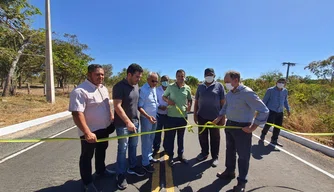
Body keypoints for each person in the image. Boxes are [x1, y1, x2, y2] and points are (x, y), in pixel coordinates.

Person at [213, 70, 269, 192]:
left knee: (243, 156)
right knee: (230, 151)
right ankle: (229, 171)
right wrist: (218, 117)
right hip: (230, 126)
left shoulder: (247, 93)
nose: (225, 84)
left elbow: (264, 110)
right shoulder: (229, 94)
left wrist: (253, 127)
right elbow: (225, 107)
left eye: (227, 81)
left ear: (236, 80)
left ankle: (242, 182)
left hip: (243, 128)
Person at [69, 64, 114, 192]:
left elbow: (106, 105)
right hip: (90, 131)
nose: (101, 77)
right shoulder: (80, 91)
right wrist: (87, 132)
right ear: (89, 75)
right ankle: (87, 182)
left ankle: (101, 171)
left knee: (102, 150)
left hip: (104, 128)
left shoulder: (103, 88)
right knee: (86, 156)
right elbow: (77, 114)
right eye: (97, 74)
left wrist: (110, 118)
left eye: (102, 74)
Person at [112, 63, 146, 190]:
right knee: (122, 149)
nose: (139, 79)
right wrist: (127, 122)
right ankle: (120, 174)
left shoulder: (136, 85)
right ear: (129, 74)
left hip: (135, 122)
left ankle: (132, 167)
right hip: (123, 124)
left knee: (133, 145)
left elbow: (136, 104)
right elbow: (117, 106)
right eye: (137, 76)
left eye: (140, 77)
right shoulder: (119, 86)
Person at [194, 68, 225, 167]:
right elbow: (196, 102)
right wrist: (195, 114)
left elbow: (223, 103)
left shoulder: (219, 86)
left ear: (214, 75)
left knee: (215, 138)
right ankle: (204, 153)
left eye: (211, 74)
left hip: (215, 118)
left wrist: (222, 117)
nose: (209, 76)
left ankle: (215, 157)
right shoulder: (200, 87)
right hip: (201, 116)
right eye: (207, 74)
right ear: (204, 76)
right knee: (202, 136)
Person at [163, 69, 192, 167]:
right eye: (179, 76)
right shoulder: (170, 87)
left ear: (184, 77)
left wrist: (189, 106)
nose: (180, 78)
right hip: (171, 117)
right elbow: (164, 96)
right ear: (176, 77)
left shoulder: (187, 88)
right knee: (171, 138)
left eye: (182, 76)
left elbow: (189, 99)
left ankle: (180, 155)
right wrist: (168, 101)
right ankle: (170, 156)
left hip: (182, 117)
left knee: (181, 138)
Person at [138, 72, 160, 173]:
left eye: (156, 81)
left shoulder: (154, 88)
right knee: (146, 140)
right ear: (147, 80)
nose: (155, 83)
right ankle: (145, 163)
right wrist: (148, 117)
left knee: (151, 139)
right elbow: (140, 106)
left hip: (154, 118)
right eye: (153, 81)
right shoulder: (143, 90)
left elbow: (154, 102)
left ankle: (149, 156)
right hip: (146, 119)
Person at [260, 78, 291, 146]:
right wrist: (262, 110)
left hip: (280, 111)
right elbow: (265, 100)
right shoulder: (270, 90)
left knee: (278, 126)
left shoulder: (285, 91)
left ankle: (274, 140)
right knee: (268, 124)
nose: (281, 84)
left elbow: (285, 101)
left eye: (283, 82)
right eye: (280, 82)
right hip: (271, 110)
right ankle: (263, 135)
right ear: (276, 82)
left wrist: (288, 109)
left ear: (285, 84)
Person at [152, 75, 170, 156]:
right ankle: (156, 148)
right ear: (160, 81)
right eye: (163, 80)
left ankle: (166, 148)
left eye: (166, 80)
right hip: (159, 114)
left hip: (168, 115)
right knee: (157, 133)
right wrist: (159, 106)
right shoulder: (156, 90)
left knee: (167, 133)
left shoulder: (171, 89)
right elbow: (154, 100)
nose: (165, 82)